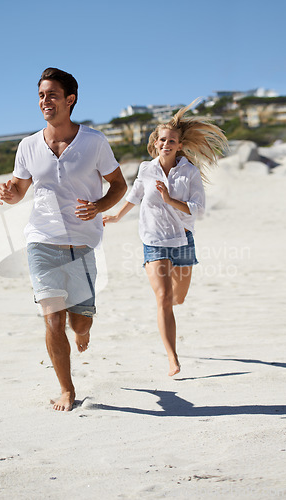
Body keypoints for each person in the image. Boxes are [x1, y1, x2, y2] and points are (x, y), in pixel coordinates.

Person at [0, 67, 127, 411]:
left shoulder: (94, 142)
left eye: (51, 94)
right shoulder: (27, 146)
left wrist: (98, 206)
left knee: (79, 320)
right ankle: (67, 389)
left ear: (70, 99)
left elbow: (119, 185)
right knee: (52, 317)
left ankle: (82, 331)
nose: (44, 101)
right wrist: (7, 194)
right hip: (42, 240)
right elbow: (19, 190)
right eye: (41, 95)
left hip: (83, 244)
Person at [103, 100, 228, 376]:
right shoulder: (146, 169)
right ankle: (172, 357)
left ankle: (168, 318)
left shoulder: (190, 172)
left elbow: (198, 210)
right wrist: (115, 216)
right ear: (156, 143)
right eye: (162, 140)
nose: (166, 144)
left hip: (183, 240)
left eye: (172, 140)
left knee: (178, 299)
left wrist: (169, 199)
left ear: (180, 145)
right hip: (153, 241)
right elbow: (134, 196)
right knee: (163, 297)